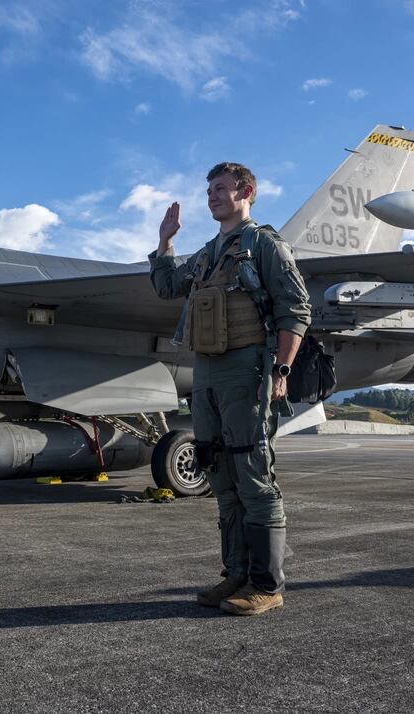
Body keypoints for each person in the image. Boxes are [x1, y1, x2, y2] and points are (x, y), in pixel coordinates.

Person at [149, 163, 311, 616]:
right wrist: (165, 240)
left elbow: (295, 311)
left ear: (247, 192)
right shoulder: (206, 254)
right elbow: (166, 287)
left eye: (221, 189)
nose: (212, 196)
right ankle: (235, 575)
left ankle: (267, 584)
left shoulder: (265, 245)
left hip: (248, 371)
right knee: (219, 475)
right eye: (210, 190)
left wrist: (280, 369)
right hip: (208, 374)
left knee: (254, 475)